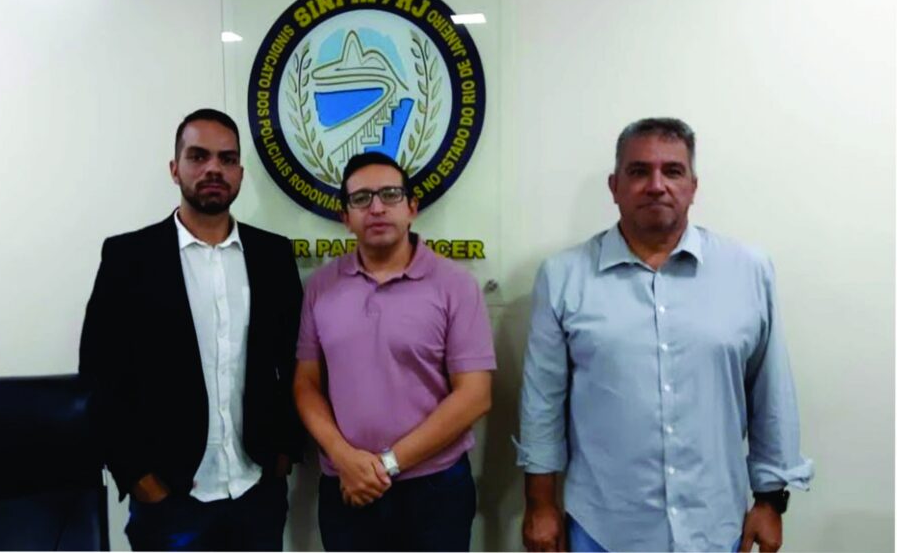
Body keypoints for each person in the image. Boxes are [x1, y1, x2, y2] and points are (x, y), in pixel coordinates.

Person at [517, 118, 814, 552]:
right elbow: (542, 401)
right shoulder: (564, 276)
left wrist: (771, 501)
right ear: (615, 186)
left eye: (672, 171)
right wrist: (540, 503)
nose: (656, 186)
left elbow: (771, 395)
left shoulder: (748, 271)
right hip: (602, 528)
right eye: (639, 171)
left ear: (693, 186)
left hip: (716, 527)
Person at [78, 108, 304, 551]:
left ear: (240, 173)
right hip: (169, 498)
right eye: (198, 156)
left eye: (227, 158)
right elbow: (100, 378)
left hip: (257, 490)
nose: (213, 169)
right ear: (174, 168)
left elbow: (296, 359)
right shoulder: (129, 258)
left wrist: (283, 454)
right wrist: (138, 478)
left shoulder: (273, 256)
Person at [293, 152, 495, 551]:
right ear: (345, 217)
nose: (377, 208)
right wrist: (344, 457)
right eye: (361, 198)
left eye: (390, 194)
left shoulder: (455, 285)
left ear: (412, 208)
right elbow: (306, 384)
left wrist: (386, 465)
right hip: (347, 485)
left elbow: (475, 396)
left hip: (435, 489)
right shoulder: (320, 287)